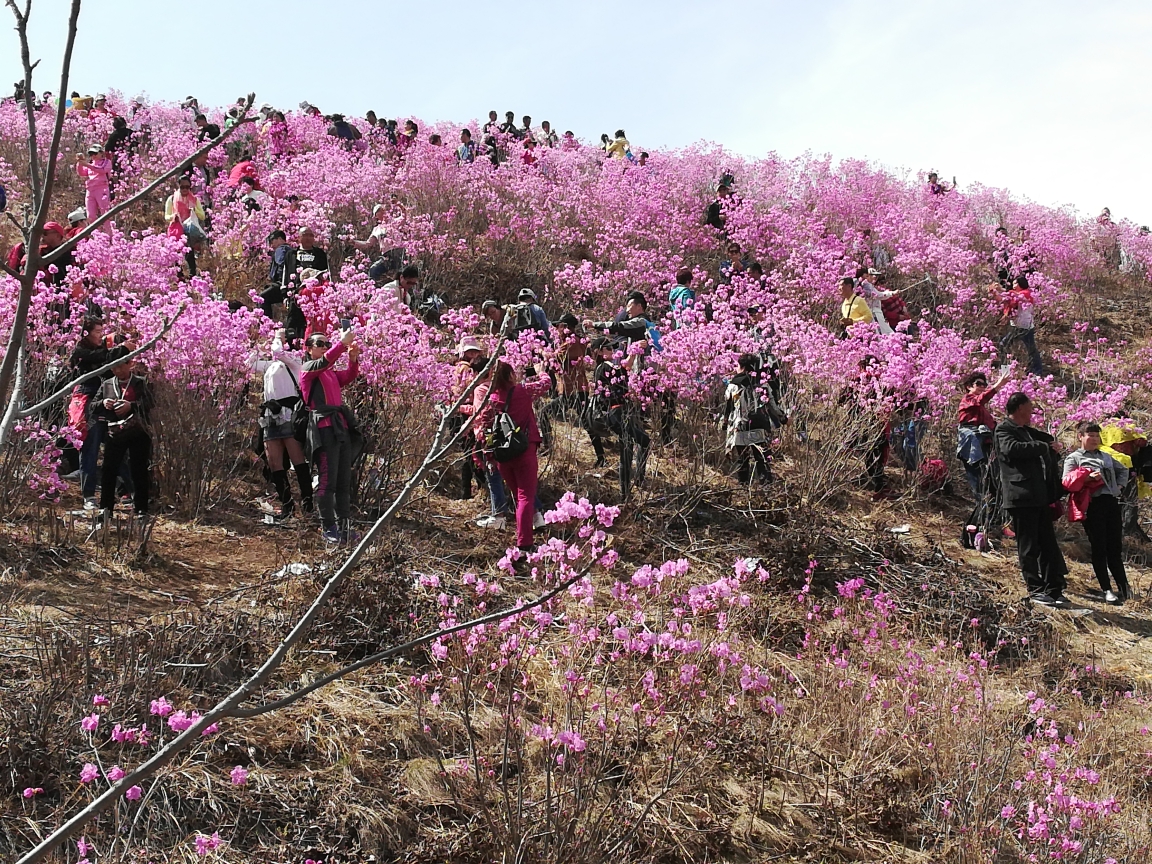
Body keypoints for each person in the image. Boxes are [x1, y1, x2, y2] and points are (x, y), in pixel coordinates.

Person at [995, 392, 1070, 608]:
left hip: (1040, 496)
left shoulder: (1027, 432)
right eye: (1029, 407)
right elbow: (1012, 449)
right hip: (1021, 497)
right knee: (1028, 546)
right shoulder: (1004, 430)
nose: (1032, 411)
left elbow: (1044, 439)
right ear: (1019, 408)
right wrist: (1044, 447)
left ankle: (1053, 589)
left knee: (1048, 545)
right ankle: (1036, 589)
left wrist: (1051, 444)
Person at [476, 361, 550, 558]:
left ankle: (524, 538)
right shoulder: (523, 392)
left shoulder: (491, 400)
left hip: (502, 455)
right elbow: (546, 383)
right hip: (524, 449)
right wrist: (541, 371)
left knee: (518, 496)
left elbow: (485, 430)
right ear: (510, 375)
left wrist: (489, 457)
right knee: (525, 496)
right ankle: (524, 543)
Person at [301, 329, 361, 544]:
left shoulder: (330, 373)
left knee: (343, 480)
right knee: (327, 479)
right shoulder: (309, 369)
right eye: (320, 343)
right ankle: (328, 527)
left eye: (327, 343)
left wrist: (353, 359)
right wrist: (341, 345)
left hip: (339, 427)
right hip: (323, 429)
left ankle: (344, 526)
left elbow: (348, 376)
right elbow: (323, 363)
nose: (325, 346)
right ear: (308, 349)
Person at [1063, 423, 1130, 604]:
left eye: (1096, 436)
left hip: (1110, 502)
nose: (1094, 439)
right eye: (1090, 435)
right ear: (1080, 436)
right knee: (1099, 547)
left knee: (1114, 546)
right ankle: (1107, 589)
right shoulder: (1074, 458)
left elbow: (1123, 470)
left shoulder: (1106, 457)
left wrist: (1119, 486)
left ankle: (1124, 587)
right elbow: (1066, 482)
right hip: (1091, 504)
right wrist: (1086, 478)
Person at [255, 330, 312, 519]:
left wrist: (277, 337)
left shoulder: (295, 362)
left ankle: (307, 503)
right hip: (270, 416)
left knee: (298, 460)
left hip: (288, 415)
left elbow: (278, 352)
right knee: (274, 463)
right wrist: (256, 342)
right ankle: (287, 505)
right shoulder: (271, 366)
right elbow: (249, 364)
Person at [93, 346, 153, 521]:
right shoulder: (106, 385)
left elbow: (150, 402)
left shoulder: (141, 382)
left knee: (139, 470)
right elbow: (92, 407)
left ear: (130, 363)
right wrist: (103, 403)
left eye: (120, 366)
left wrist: (131, 405)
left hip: (138, 432)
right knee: (109, 470)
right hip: (114, 433)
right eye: (113, 367)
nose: (117, 370)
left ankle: (141, 508)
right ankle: (106, 509)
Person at [589, 337, 650, 499]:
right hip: (616, 412)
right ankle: (629, 488)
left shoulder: (603, 368)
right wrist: (634, 351)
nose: (612, 351)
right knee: (633, 444)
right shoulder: (604, 367)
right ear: (600, 352)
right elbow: (624, 368)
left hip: (618, 412)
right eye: (608, 348)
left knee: (631, 445)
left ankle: (629, 488)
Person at [724, 353, 773, 485]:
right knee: (762, 459)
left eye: (738, 365)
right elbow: (772, 406)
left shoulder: (733, 386)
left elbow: (728, 410)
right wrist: (784, 420)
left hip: (741, 426)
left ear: (743, 367)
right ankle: (767, 487)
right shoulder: (762, 385)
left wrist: (724, 426)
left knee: (743, 460)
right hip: (760, 426)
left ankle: (743, 488)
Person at [451, 337, 485, 500]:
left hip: (460, 413)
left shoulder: (456, 368)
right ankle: (473, 490)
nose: (473, 354)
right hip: (466, 412)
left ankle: (469, 490)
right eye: (470, 351)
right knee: (472, 453)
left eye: (475, 351)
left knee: (469, 452)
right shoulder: (466, 369)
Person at [999, 275, 1043, 376]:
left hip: (1023, 327)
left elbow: (1013, 298)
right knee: (1030, 349)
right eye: (1013, 283)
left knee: (1004, 345)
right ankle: (1036, 371)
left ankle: (1006, 371)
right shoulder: (1021, 294)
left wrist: (1002, 291)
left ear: (1021, 283)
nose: (1014, 285)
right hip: (1021, 326)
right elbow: (1010, 299)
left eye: (1016, 283)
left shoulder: (1026, 293)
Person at [164, 175, 206, 276]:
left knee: (189, 254)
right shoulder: (172, 199)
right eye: (182, 187)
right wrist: (173, 217)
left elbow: (202, 216)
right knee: (176, 254)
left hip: (189, 230)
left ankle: (192, 275)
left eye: (187, 187)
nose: (185, 189)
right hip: (176, 229)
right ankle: (179, 277)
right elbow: (166, 216)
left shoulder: (194, 200)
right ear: (178, 186)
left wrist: (194, 210)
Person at [75, 144, 112, 232]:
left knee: (105, 214)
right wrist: (80, 163)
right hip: (90, 190)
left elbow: (101, 170)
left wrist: (87, 165)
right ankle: (96, 236)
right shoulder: (91, 165)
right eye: (91, 154)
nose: (93, 156)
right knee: (90, 216)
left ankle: (110, 235)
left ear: (101, 153)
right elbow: (82, 173)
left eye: (95, 153)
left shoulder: (106, 162)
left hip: (101, 189)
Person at [260, 230, 296, 315]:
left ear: (280, 239)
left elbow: (282, 264)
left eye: (272, 241)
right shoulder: (292, 250)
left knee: (262, 297)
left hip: (282, 283)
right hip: (292, 284)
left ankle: (266, 325)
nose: (271, 245)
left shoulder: (281, 249)